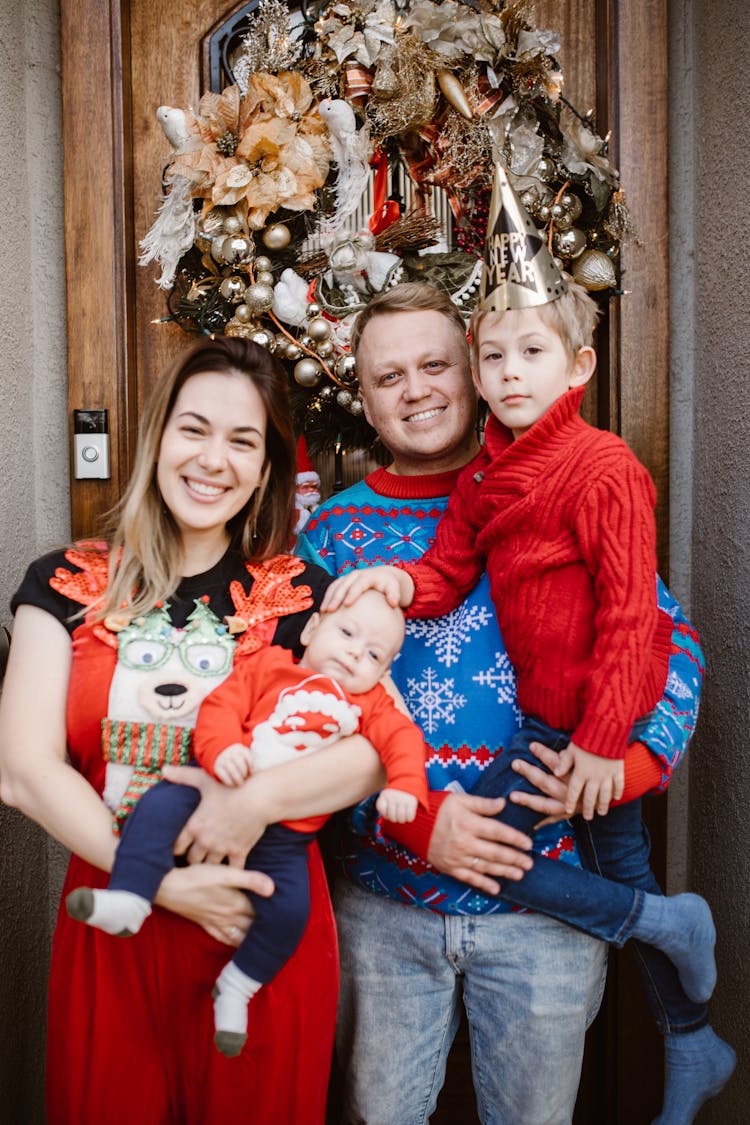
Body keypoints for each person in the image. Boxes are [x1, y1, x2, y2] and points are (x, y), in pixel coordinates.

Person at [297, 278, 732, 1123]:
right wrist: (415, 822)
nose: (417, 389)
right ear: (363, 395)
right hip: (386, 906)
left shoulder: (571, 481)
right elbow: (294, 714)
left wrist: (622, 766)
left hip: (548, 905)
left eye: (435, 364)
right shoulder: (328, 537)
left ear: (475, 371)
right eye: (389, 377)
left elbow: (669, 645)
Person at [0, 336, 386, 1125]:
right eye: (194, 428)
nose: (213, 459)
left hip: (258, 921)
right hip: (114, 917)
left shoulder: (303, 597)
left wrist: (257, 800)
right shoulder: (64, 581)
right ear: (157, 438)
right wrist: (163, 885)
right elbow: (23, 771)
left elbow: (376, 746)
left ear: (268, 468)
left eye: (243, 441)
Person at [66, 589, 428, 1058]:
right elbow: (221, 707)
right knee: (155, 808)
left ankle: (237, 986)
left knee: (290, 912)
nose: (356, 651)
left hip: (287, 837)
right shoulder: (270, 666)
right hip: (214, 788)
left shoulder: (371, 703)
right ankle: (131, 898)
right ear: (313, 629)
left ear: (384, 671)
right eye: (346, 633)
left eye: (374, 654)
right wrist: (223, 750)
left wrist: (404, 787)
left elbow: (403, 739)